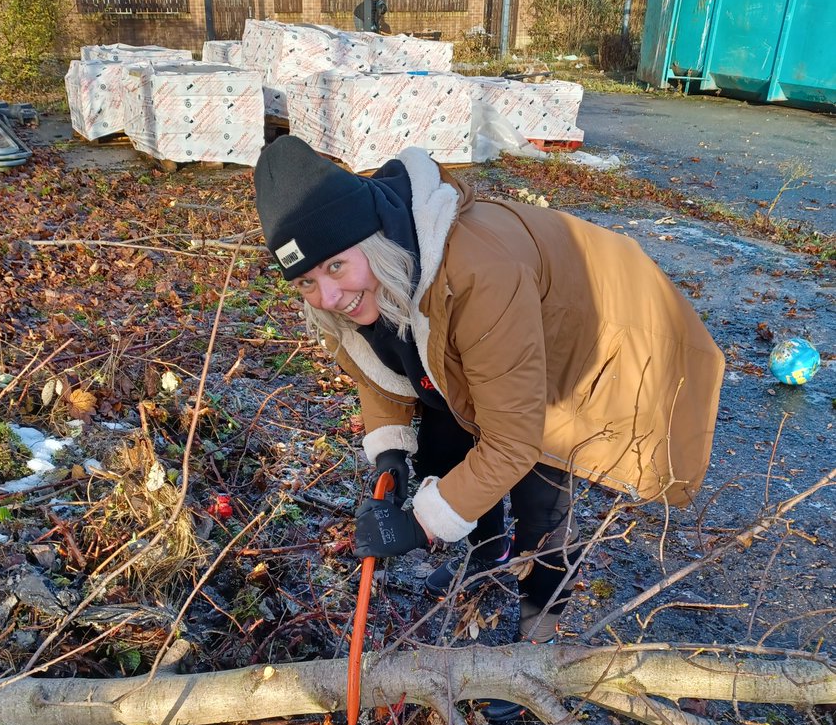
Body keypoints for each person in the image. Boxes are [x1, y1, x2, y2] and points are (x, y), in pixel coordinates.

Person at [253, 135, 724, 651]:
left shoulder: (478, 272)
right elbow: (378, 363)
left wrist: (422, 526)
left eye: (336, 267)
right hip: (497, 332)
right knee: (444, 439)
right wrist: (390, 454)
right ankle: (488, 554)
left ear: (373, 242)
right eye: (305, 281)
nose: (328, 297)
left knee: (541, 485)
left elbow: (513, 441)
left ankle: (537, 642)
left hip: (598, 333)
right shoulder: (359, 282)